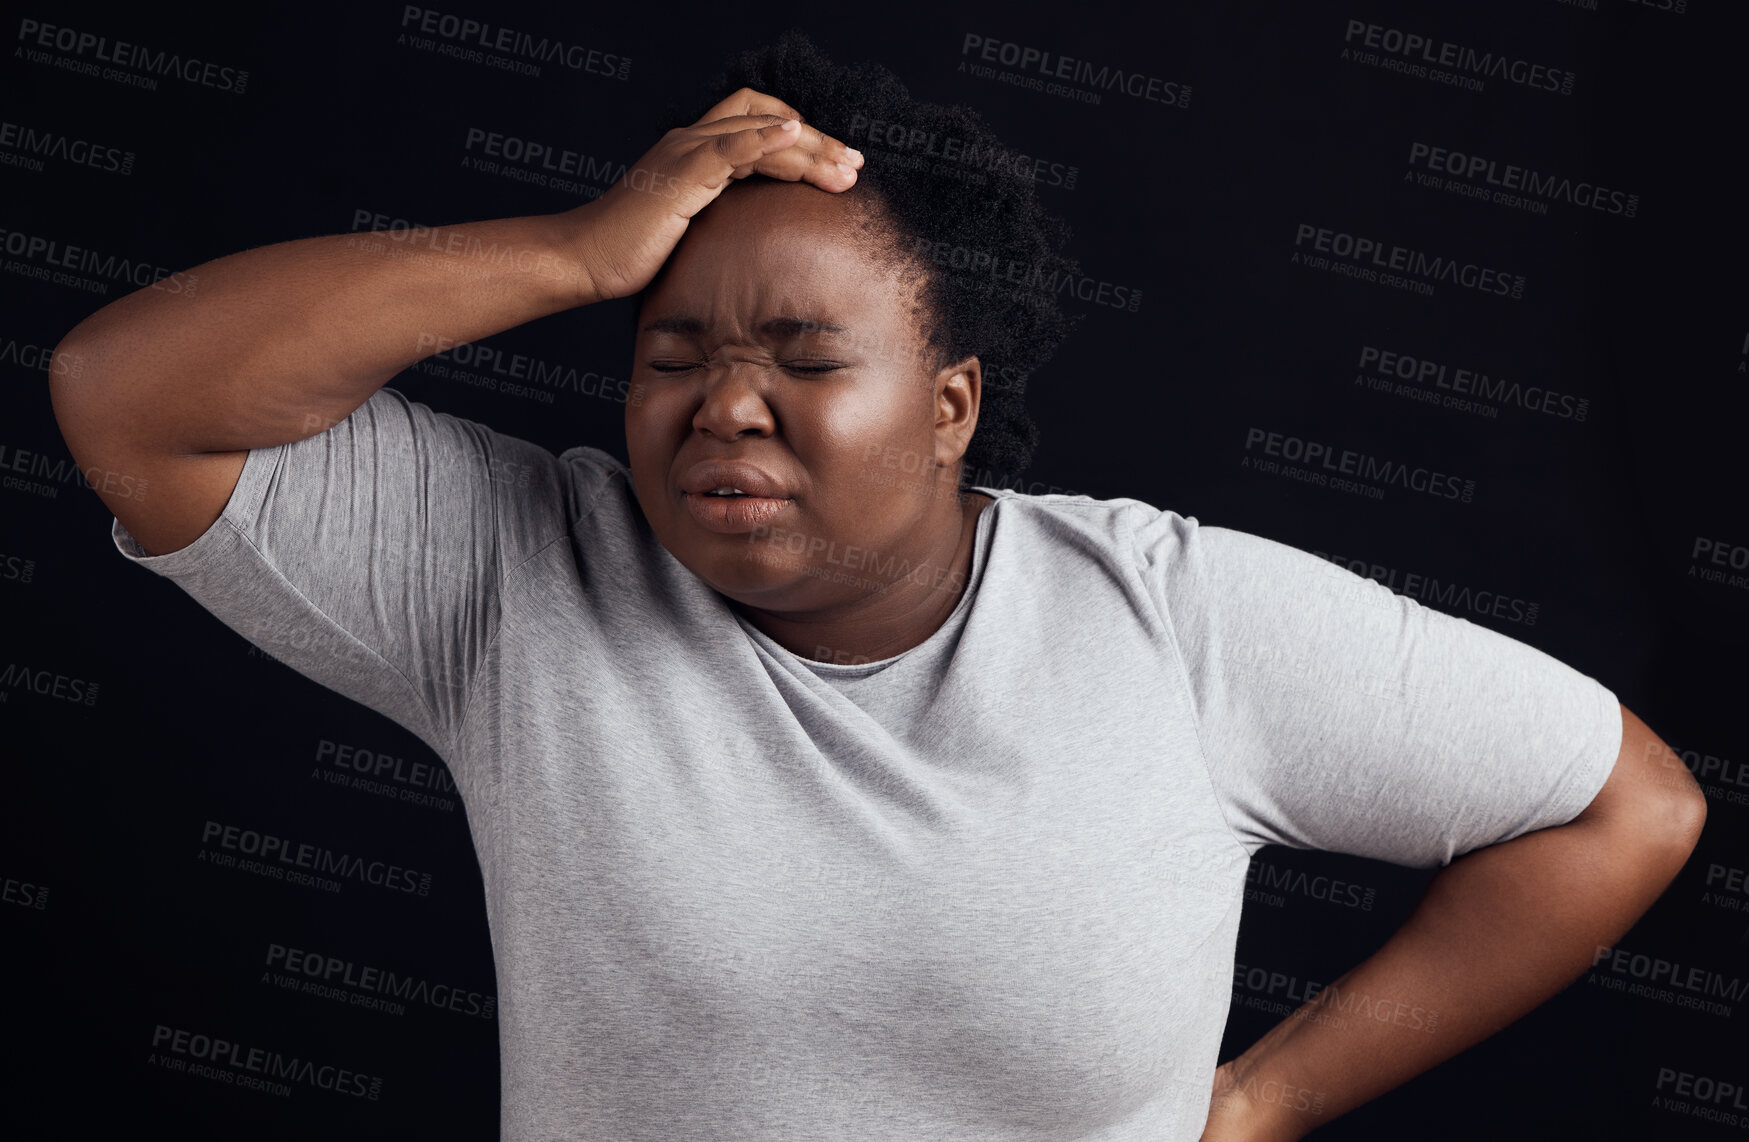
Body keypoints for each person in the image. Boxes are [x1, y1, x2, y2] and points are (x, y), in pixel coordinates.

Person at [49, 28, 1705, 1142]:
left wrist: (1260, 1103)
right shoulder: (522, 579)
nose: (725, 402)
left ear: (949, 404)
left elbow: (1622, 806)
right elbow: (128, 394)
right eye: (671, 351)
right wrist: (575, 250)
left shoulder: (1172, 621)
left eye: (802, 355)